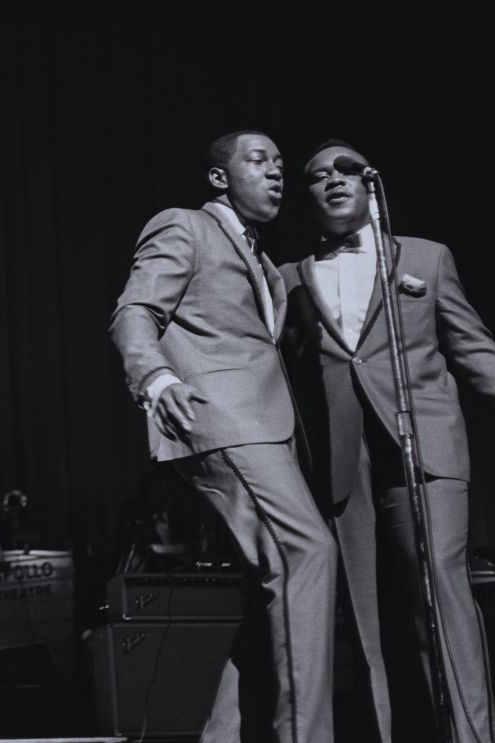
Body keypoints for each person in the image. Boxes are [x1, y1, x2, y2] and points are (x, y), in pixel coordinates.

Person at [279, 139, 495, 742]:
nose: (333, 179)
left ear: (370, 185)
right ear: (307, 198)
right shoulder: (289, 278)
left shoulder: (425, 258)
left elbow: (473, 347)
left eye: (346, 169)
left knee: (440, 581)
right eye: (317, 175)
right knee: (363, 609)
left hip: (425, 445)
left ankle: (470, 736)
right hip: (342, 457)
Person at [110, 130, 336, 743]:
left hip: (267, 428)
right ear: (219, 177)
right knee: (308, 553)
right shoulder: (184, 226)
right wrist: (155, 377)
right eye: (259, 161)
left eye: (281, 165)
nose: (276, 173)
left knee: (275, 587)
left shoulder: (264, 260)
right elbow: (135, 310)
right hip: (223, 419)